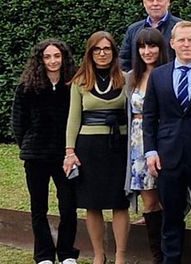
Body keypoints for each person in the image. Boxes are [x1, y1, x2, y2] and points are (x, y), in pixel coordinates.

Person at [143, 21, 191, 263]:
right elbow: (149, 116)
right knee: (172, 217)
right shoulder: (158, 76)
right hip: (169, 157)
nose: (186, 44)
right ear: (172, 43)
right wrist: (150, 151)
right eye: (182, 40)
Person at [63, 31, 131, 264]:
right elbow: (73, 119)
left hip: (118, 147)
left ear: (113, 52)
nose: (102, 53)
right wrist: (70, 151)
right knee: (92, 204)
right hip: (89, 148)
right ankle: (99, 255)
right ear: (90, 53)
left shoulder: (126, 79)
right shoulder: (79, 81)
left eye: (107, 49)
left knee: (119, 202)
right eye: (97, 49)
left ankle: (120, 255)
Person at [13, 39, 80, 264]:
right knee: (38, 207)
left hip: (65, 157)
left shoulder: (74, 86)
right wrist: (29, 146)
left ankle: (66, 253)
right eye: (47, 57)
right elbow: (18, 123)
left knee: (68, 206)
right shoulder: (26, 88)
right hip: (36, 157)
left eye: (57, 56)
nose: (53, 61)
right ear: (40, 60)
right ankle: (43, 255)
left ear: (64, 58)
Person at [125, 28, 168, 263]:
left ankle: (172, 251)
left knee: (169, 197)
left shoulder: (168, 73)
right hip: (137, 143)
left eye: (152, 46)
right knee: (150, 201)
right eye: (142, 47)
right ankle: (157, 255)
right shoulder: (132, 77)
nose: (147, 51)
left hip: (164, 140)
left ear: (161, 49)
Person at [120, 0, 183, 71]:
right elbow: (124, 61)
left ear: (168, 1)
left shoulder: (181, 28)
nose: (155, 3)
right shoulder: (133, 30)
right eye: (151, 0)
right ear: (144, 3)